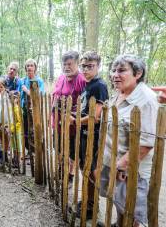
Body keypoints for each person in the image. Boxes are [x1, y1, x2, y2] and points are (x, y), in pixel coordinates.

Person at [99, 54, 159, 227]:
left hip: (132, 170)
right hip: (113, 163)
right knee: (119, 204)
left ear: (138, 73)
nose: (115, 74)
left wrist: (121, 165)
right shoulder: (119, 94)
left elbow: (146, 143)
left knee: (131, 212)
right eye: (114, 70)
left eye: (122, 70)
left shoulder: (146, 100)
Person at [75, 51, 109, 219]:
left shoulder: (99, 85)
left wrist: (74, 121)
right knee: (85, 169)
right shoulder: (87, 85)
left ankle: (92, 205)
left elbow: (95, 117)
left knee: (91, 170)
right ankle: (87, 200)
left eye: (90, 66)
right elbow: (85, 109)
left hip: (93, 136)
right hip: (84, 134)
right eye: (84, 66)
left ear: (98, 66)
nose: (86, 69)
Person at [52, 51, 86, 183]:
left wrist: (73, 116)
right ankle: (61, 168)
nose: (66, 67)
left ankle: (70, 174)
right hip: (58, 120)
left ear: (77, 64)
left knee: (71, 149)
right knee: (58, 146)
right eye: (64, 64)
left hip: (72, 123)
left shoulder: (81, 80)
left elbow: (86, 104)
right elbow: (55, 94)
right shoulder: (61, 77)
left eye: (70, 64)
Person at [19, 58, 45, 154]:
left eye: (31, 65)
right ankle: (29, 150)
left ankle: (36, 151)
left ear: (35, 68)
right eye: (28, 66)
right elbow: (19, 95)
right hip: (24, 110)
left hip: (35, 111)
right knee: (25, 131)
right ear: (25, 68)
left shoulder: (39, 81)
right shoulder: (22, 81)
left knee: (34, 131)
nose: (29, 67)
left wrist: (27, 91)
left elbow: (39, 95)